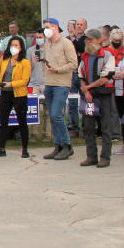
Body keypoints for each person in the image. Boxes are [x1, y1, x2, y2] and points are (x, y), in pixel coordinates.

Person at [77, 28, 118, 168]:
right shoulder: (84, 56)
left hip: (103, 94)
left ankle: (105, 157)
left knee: (105, 126)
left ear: (99, 40)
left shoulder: (108, 55)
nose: (88, 41)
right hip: (89, 96)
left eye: (91, 39)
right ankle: (91, 156)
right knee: (88, 126)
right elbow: (81, 75)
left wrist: (88, 88)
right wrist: (86, 90)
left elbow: (105, 78)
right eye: (86, 39)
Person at [41, 17, 78, 161]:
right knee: (52, 116)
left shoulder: (66, 43)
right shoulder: (47, 44)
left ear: (55, 27)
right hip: (49, 83)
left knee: (57, 114)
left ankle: (67, 145)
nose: (46, 30)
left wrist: (58, 70)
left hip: (61, 84)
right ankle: (58, 145)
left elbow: (73, 63)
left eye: (48, 27)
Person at [0, 36, 32, 158]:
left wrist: (11, 84)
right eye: (12, 45)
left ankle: (25, 149)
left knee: (22, 121)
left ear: (21, 47)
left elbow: (24, 81)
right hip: (5, 93)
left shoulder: (25, 62)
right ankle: (1, 148)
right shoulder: (4, 59)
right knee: (3, 121)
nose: (14, 47)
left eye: (17, 45)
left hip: (19, 94)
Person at [27, 28, 48, 139]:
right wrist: (32, 62)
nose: (39, 39)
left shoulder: (50, 49)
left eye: (41, 37)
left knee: (47, 111)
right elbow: (26, 69)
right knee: (33, 110)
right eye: (37, 38)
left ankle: (47, 134)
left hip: (47, 83)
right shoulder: (30, 50)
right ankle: (33, 134)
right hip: (33, 83)